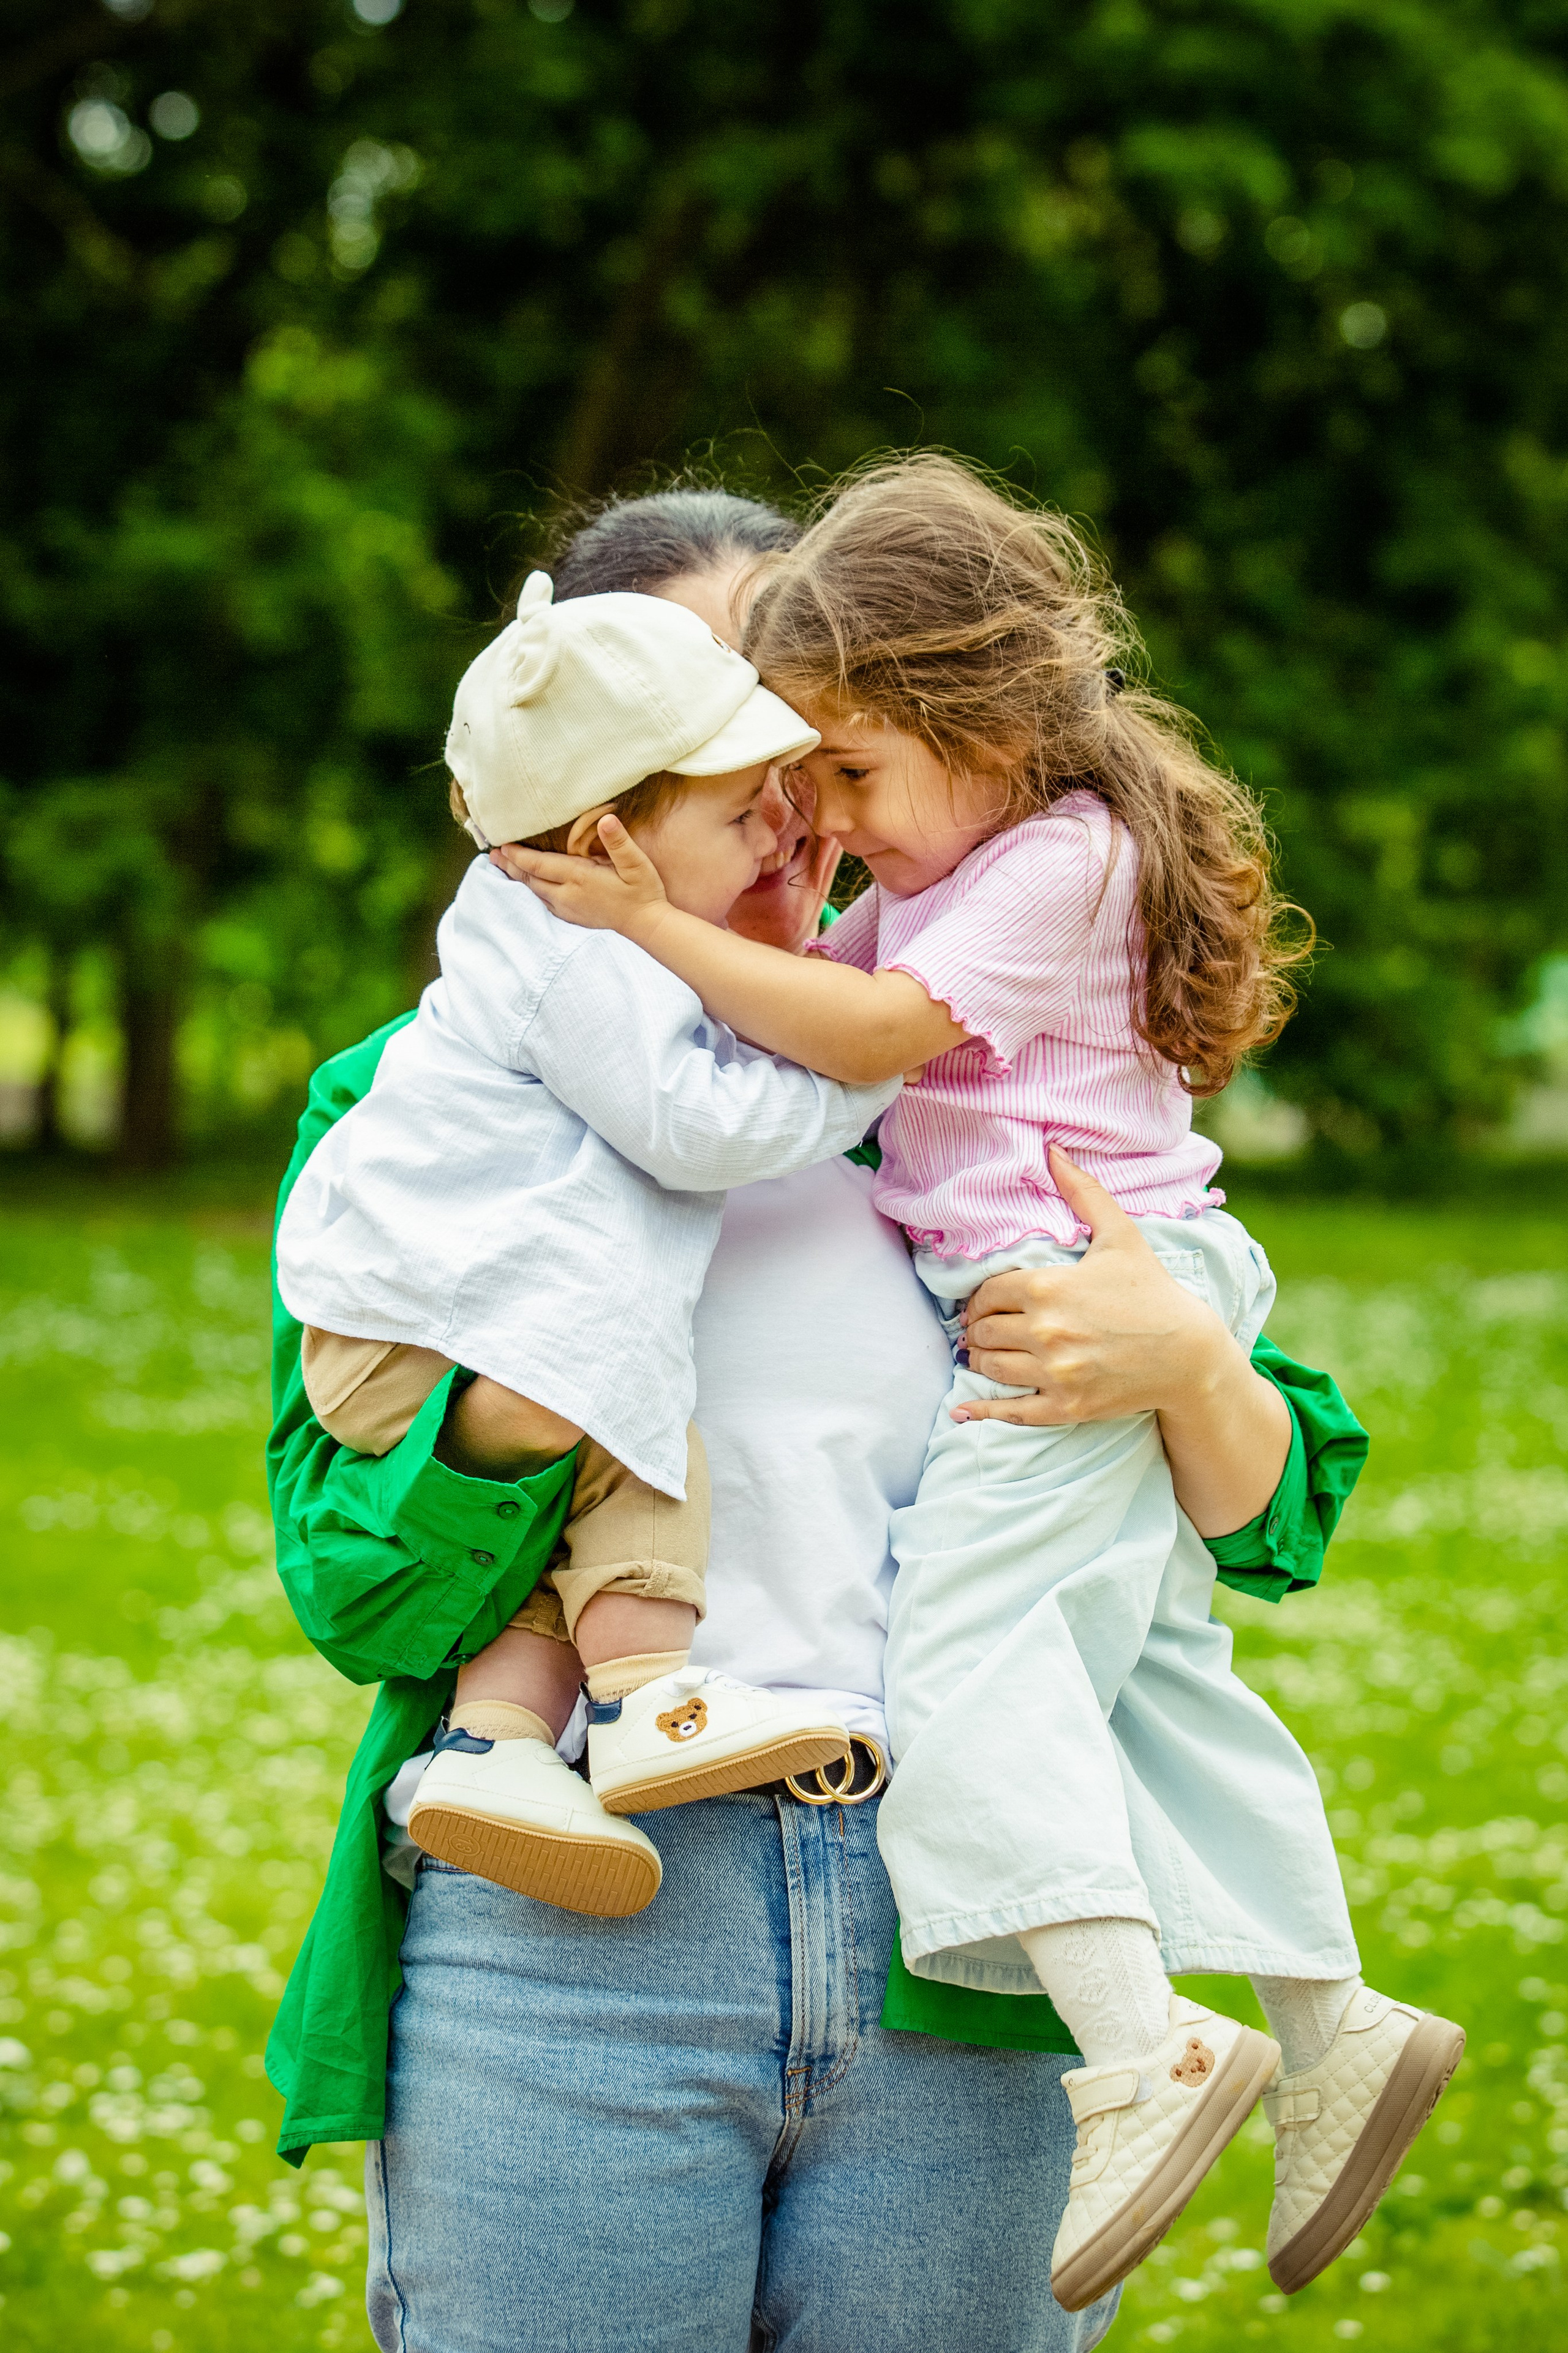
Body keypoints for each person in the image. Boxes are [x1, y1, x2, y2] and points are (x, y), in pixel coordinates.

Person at [263, 483, 1370, 2353]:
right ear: (590, 811)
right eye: (721, 744)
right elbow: (354, 1594)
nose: (789, 800)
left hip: (972, 1934)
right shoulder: (426, 1116)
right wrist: (513, 1429)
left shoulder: (976, 1073)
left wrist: (1187, 1362)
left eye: (812, 739)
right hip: (582, 1932)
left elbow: (1272, 1526)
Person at [276, 576, 892, 1913]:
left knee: (621, 1411)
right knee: (634, 1388)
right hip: (428, 1342)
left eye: (820, 777)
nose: (791, 826)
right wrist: (860, 1060)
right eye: (746, 807)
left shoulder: (581, 949)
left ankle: (496, 1747)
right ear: (611, 842)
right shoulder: (581, 958)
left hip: (891, 1869)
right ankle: (645, 1701)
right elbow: (693, 1125)